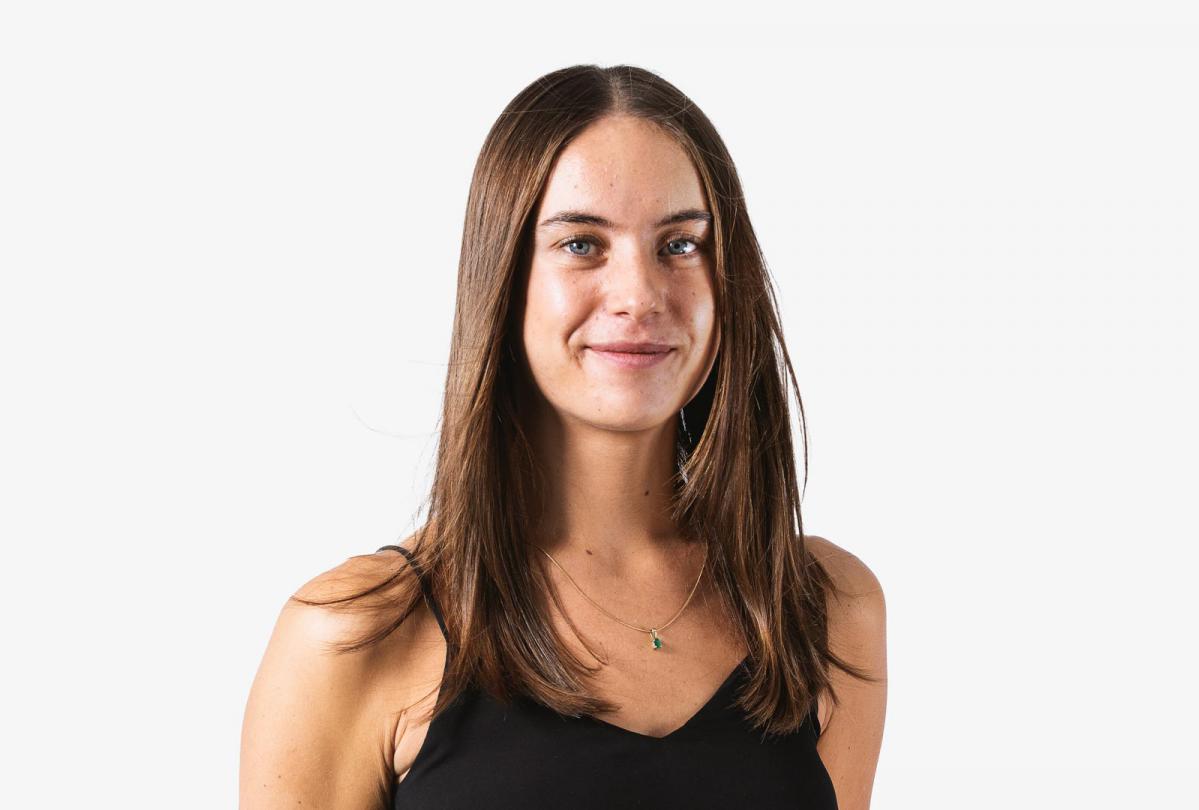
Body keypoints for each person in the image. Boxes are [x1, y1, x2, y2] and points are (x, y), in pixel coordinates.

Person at [240, 63, 887, 809]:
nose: (639, 295)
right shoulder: (357, 636)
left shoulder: (820, 611)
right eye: (582, 244)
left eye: (680, 245)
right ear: (505, 277)